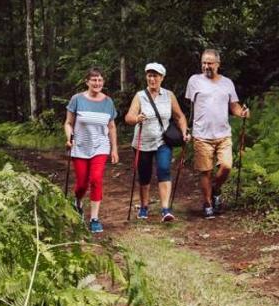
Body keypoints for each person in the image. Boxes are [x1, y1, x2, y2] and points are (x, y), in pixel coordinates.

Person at [184, 48, 249, 219]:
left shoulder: (227, 83)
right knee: (205, 171)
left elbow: (233, 106)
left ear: (218, 64)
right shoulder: (194, 81)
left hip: (223, 134)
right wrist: (186, 127)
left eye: (210, 63)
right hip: (201, 135)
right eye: (204, 63)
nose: (206, 66)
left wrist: (241, 112)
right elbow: (190, 106)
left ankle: (216, 189)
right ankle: (207, 204)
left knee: (226, 166)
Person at [125, 61, 190, 222]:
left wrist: (184, 132)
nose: (152, 79)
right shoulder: (140, 96)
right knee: (145, 175)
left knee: (164, 170)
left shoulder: (169, 95)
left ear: (162, 78)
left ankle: (165, 209)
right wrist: (136, 118)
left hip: (163, 141)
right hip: (142, 143)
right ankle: (144, 206)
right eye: (149, 75)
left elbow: (179, 116)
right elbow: (128, 117)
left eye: (155, 76)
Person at [64, 68, 119, 234]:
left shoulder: (108, 102)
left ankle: (94, 218)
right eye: (94, 80)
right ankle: (78, 202)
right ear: (87, 82)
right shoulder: (77, 99)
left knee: (96, 179)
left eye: (100, 80)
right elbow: (68, 123)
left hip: (100, 146)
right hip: (80, 146)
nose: (97, 83)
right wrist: (69, 138)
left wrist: (114, 149)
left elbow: (111, 126)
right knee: (81, 184)